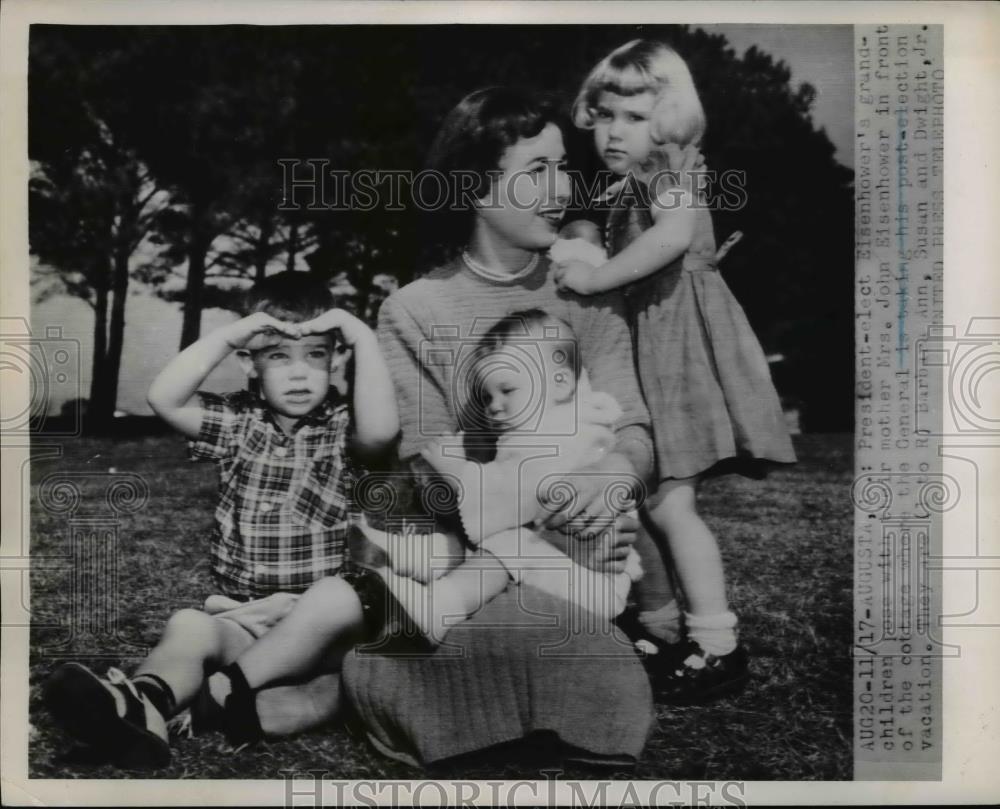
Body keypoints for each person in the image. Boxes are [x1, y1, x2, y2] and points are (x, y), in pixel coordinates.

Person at [336, 86, 657, 768]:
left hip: (580, 559)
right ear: (477, 190)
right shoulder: (415, 308)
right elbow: (429, 471)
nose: (561, 188)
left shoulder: (589, 291)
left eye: (564, 166)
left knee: (586, 654)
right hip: (471, 550)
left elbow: (633, 427)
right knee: (462, 637)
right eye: (535, 169)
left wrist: (614, 482)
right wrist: (544, 515)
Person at [42, 271, 400, 768]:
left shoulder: (342, 427)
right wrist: (233, 332)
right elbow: (163, 398)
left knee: (329, 609)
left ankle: (225, 699)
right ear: (249, 361)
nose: (299, 374)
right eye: (278, 356)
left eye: (315, 354)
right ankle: (144, 705)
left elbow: (383, 433)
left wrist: (359, 332)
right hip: (249, 623)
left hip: (319, 632)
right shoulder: (238, 423)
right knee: (190, 625)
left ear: (337, 358)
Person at [553, 40, 797, 702]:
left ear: (667, 119)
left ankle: (717, 642)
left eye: (634, 117)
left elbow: (673, 237)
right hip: (656, 338)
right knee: (656, 494)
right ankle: (664, 625)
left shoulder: (667, 173)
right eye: (604, 116)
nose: (614, 133)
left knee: (674, 501)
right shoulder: (631, 180)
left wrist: (597, 273)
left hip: (679, 341)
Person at [382, 309, 645, 641]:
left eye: (507, 390)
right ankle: (410, 560)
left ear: (560, 383)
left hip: (587, 580)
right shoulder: (552, 428)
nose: (494, 406)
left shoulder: (567, 434)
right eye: (487, 396)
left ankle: (437, 607)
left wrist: (459, 473)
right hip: (566, 561)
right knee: (509, 541)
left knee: (511, 541)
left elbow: (513, 499)